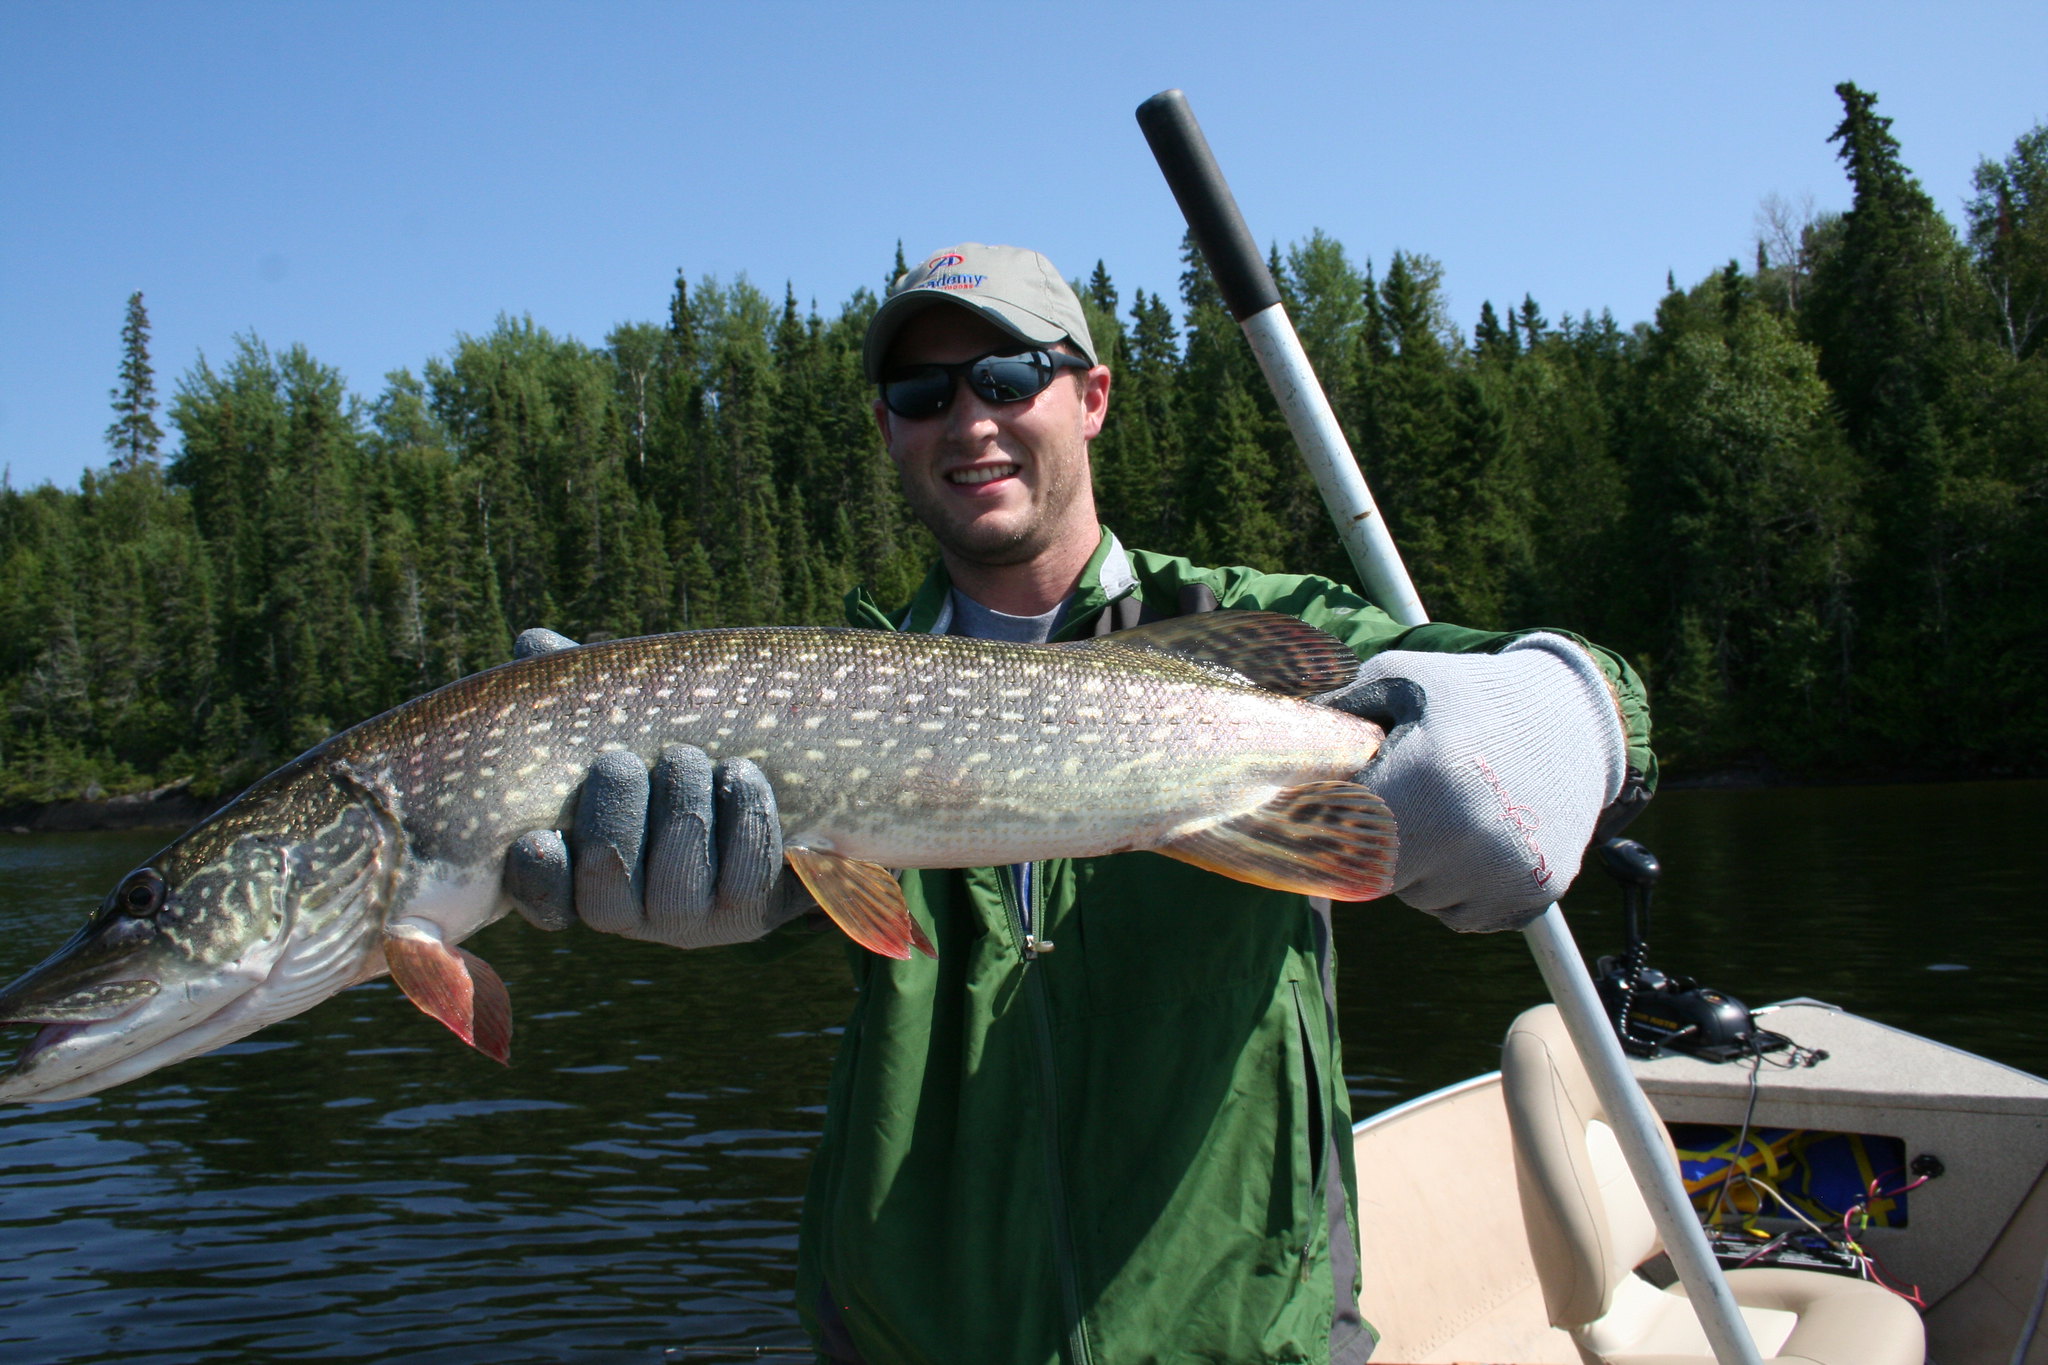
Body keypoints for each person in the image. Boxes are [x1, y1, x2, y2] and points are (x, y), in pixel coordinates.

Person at [502, 243, 1655, 1365]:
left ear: (1091, 394)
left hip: (1231, 1332)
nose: (968, 420)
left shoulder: (1238, 618)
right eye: (921, 391)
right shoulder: (834, 682)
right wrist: (709, 901)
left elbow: (1576, 677)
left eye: (1008, 377)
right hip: (918, 1335)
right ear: (887, 428)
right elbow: (784, 908)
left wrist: (1560, 716)